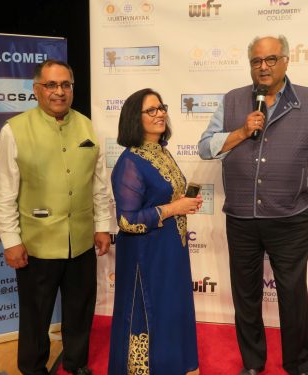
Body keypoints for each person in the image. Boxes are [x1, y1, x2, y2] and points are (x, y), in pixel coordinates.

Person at [198, 35, 308, 375]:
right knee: (245, 298)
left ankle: (298, 365)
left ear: (286, 60)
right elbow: (205, 147)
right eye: (257, 61)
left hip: (291, 218)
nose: (264, 67)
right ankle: (253, 364)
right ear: (250, 65)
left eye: (271, 59)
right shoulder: (232, 101)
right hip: (242, 218)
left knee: (292, 296)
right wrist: (242, 131)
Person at [0, 59, 111, 375]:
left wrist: (102, 226)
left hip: (81, 242)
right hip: (36, 245)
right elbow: (2, 193)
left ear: (72, 88)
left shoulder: (87, 126)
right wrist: (11, 241)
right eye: (51, 85)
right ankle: (32, 368)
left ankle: (76, 363)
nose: (59, 92)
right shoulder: (13, 130)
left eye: (65, 85)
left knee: (80, 310)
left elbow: (98, 183)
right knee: (35, 316)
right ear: (37, 90)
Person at [108, 88, 202, 375]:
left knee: (171, 310)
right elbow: (127, 220)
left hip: (171, 249)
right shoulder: (130, 162)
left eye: (161, 107)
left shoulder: (162, 152)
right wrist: (174, 209)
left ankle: (175, 366)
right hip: (144, 255)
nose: (160, 113)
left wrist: (182, 205)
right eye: (151, 110)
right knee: (147, 312)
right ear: (135, 119)